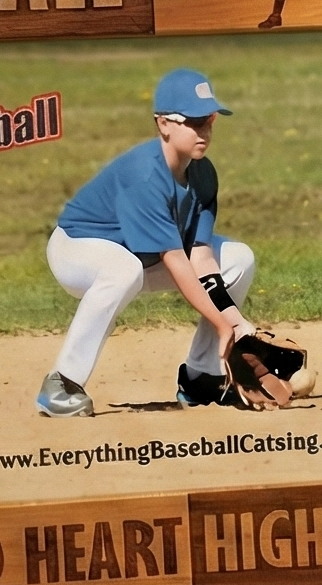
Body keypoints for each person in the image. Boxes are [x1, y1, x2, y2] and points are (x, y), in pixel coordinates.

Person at [37, 68, 259, 417]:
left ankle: (202, 377)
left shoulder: (203, 173)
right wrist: (221, 324)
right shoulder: (144, 175)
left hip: (142, 258)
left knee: (237, 257)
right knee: (123, 269)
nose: (204, 131)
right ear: (163, 124)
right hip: (77, 250)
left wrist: (236, 323)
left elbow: (201, 259)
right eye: (193, 121)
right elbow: (176, 260)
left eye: (209, 120)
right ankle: (61, 383)